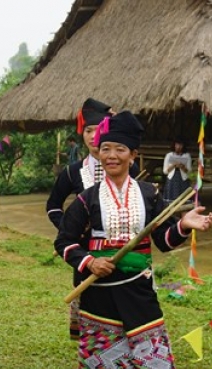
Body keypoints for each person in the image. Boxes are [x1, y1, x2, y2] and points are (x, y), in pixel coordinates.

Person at [55, 111, 212, 369]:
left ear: (133, 155)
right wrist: (90, 261)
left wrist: (183, 224)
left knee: (152, 358)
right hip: (99, 295)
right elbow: (65, 242)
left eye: (120, 149)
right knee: (111, 367)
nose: (111, 156)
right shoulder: (87, 200)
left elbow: (164, 241)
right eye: (105, 148)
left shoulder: (149, 193)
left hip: (140, 292)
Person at [46, 98, 139, 340]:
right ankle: (95, 346)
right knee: (90, 299)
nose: (92, 136)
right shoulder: (73, 171)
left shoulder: (129, 167)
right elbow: (53, 206)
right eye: (88, 130)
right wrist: (69, 228)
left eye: (98, 130)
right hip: (85, 250)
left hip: (122, 248)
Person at [162, 139, 192, 204]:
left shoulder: (187, 155)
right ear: (174, 145)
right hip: (172, 179)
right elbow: (165, 171)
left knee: (183, 200)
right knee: (170, 200)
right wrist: (173, 165)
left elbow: (189, 171)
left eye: (180, 145)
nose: (178, 147)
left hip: (183, 180)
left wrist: (182, 166)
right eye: (177, 145)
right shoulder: (169, 155)